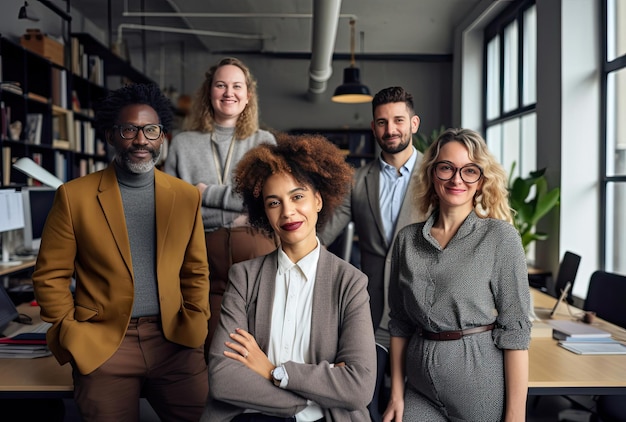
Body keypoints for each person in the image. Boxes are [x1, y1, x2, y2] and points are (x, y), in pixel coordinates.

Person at [32, 83, 210, 421]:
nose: (141, 139)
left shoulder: (186, 197)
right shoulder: (74, 196)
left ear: (162, 137)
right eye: (129, 129)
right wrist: (71, 331)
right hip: (103, 343)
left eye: (151, 130)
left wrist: (196, 321)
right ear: (112, 136)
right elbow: (50, 275)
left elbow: (195, 270)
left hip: (174, 342)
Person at [202, 133, 377, 422]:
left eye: (298, 196)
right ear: (264, 213)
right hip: (251, 416)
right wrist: (308, 396)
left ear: (318, 200)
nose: (288, 212)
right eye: (274, 203)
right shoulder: (244, 277)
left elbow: (357, 388)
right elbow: (222, 378)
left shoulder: (350, 283)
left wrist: (273, 372)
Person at [382, 128, 531, 422]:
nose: (456, 179)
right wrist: (396, 394)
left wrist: (515, 418)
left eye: (469, 170)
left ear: (481, 180)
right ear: (432, 174)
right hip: (419, 390)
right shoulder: (407, 240)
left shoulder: (500, 237)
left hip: (477, 387)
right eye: (446, 167)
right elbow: (398, 323)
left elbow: (516, 331)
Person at [164, 57, 278, 355]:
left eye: (237, 86)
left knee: (259, 344)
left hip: (254, 249)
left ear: (248, 96)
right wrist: (239, 213)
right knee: (210, 345)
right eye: (221, 85)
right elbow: (175, 206)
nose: (229, 92)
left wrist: (204, 194)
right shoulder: (182, 144)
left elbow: (264, 198)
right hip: (201, 252)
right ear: (209, 92)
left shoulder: (263, 142)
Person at [319, 86, 423, 346]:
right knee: (366, 387)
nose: (390, 130)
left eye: (398, 120)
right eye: (382, 122)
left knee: (414, 388)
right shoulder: (356, 181)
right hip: (372, 314)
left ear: (414, 123)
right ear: (373, 127)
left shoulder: (437, 176)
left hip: (424, 314)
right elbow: (320, 235)